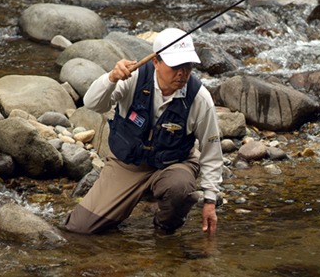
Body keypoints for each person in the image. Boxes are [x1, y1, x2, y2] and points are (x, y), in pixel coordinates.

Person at [64, 28, 223, 235]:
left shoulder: (199, 98)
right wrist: (111, 78)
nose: (182, 73)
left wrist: (210, 201)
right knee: (80, 228)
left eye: (188, 66)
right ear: (156, 61)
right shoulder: (133, 78)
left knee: (180, 188)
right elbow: (93, 104)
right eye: (176, 66)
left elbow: (212, 152)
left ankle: (164, 228)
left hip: (174, 165)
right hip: (127, 165)